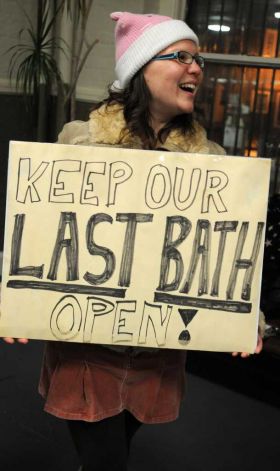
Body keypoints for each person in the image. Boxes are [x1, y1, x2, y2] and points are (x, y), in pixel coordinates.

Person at [3, 11, 264, 471]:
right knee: (107, 461)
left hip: (155, 354)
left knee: (116, 444)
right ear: (142, 69)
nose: (197, 67)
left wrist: (245, 316)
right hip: (86, 346)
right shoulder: (81, 144)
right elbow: (44, 225)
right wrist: (16, 298)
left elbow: (226, 250)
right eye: (181, 55)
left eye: (198, 58)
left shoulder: (212, 163)